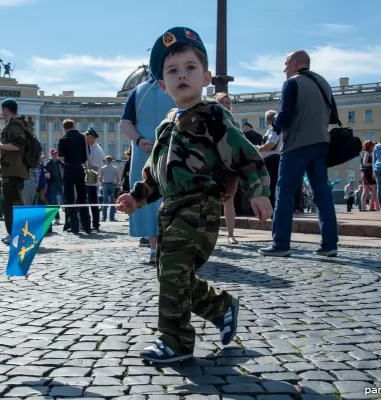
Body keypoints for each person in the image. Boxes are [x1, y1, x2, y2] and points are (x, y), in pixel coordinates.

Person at [116, 27, 272, 364]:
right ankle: (220, 306)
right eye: (172, 71)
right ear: (162, 85)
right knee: (171, 272)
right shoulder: (165, 126)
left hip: (201, 205)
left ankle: (176, 341)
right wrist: (136, 198)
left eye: (189, 68)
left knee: (172, 269)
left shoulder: (215, 115)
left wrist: (258, 192)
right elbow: (154, 175)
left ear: (206, 77)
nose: (181, 75)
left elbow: (245, 155)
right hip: (170, 208)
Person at [258, 50, 339, 258]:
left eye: (286, 64)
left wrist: (274, 124)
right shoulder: (324, 83)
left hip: (297, 145)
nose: (284, 69)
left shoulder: (292, 83)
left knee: (284, 192)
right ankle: (329, 244)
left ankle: (280, 243)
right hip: (322, 143)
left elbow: (284, 117)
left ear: (294, 64)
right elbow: (334, 116)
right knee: (322, 195)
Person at [120, 61, 176, 263]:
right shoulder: (173, 88)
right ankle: (171, 246)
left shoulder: (137, 91)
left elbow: (125, 122)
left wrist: (139, 140)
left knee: (146, 195)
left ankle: (154, 248)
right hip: (171, 149)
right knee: (171, 195)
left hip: (143, 152)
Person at [0, 99, 29, 244]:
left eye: (2, 110)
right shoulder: (16, 125)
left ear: (6, 109)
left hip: (13, 170)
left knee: (12, 205)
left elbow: (18, 145)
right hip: (13, 170)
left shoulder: (14, 126)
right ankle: (14, 233)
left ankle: (16, 234)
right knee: (10, 204)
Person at [213, 92, 241, 245]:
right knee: (210, 201)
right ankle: (210, 234)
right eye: (222, 102)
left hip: (229, 165)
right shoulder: (210, 120)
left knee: (229, 201)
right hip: (212, 164)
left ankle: (231, 234)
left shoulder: (234, 123)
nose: (226, 104)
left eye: (228, 102)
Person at [58, 119, 91, 234]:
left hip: (68, 169)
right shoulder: (82, 138)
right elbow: (87, 155)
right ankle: (87, 225)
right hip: (80, 169)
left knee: (69, 198)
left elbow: (61, 158)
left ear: (65, 128)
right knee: (82, 198)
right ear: (73, 126)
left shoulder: (63, 139)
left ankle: (74, 226)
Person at [258, 110, 283, 208]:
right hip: (276, 159)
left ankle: (272, 208)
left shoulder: (273, 128)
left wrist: (259, 148)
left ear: (268, 119)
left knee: (270, 184)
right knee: (274, 184)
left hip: (271, 159)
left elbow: (271, 144)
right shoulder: (279, 128)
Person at [85, 127, 105, 230]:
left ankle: (96, 223)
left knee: (93, 202)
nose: (86, 139)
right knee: (88, 201)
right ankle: (88, 221)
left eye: (87, 137)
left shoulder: (97, 150)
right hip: (87, 179)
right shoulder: (90, 148)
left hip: (92, 180)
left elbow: (94, 167)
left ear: (92, 137)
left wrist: (82, 168)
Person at [45, 148, 64, 224]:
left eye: (56, 153)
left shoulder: (61, 163)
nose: (55, 155)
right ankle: (57, 218)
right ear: (51, 154)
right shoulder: (48, 164)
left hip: (60, 183)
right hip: (52, 184)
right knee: (54, 202)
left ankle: (69, 218)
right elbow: (47, 174)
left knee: (65, 200)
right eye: (53, 154)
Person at [360, 141, 378, 211]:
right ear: (369, 146)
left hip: (363, 173)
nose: (373, 147)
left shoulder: (362, 154)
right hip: (368, 173)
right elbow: (365, 163)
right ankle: (371, 207)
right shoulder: (367, 153)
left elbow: (362, 165)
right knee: (374, 189)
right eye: (372, 146)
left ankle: (363, 207)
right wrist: (373, 164)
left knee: (365, 191)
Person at [100, 155, 119, 221]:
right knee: (112, 202)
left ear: (106, 160)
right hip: (112, 185)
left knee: (104, 202)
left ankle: (104, 217)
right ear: (111, 160)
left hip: (105, 184)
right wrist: (116, 184)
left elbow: (100, 179)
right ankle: (111, 217)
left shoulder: (103, 168)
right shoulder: (115, 168)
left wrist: (103, 184)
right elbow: (117, 179)